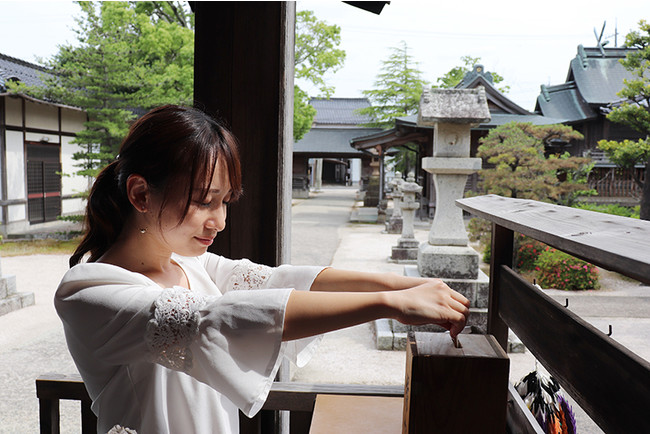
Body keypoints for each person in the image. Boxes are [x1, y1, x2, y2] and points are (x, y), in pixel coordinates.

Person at [55, 105, 470, 434]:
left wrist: (405, 284)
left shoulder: (189, 264)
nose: (219, 221)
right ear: (141, 193)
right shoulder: (88, 291)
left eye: (225, 202)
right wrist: (387, 304)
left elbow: (281, 280)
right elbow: (213, 321)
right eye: (204, 201)